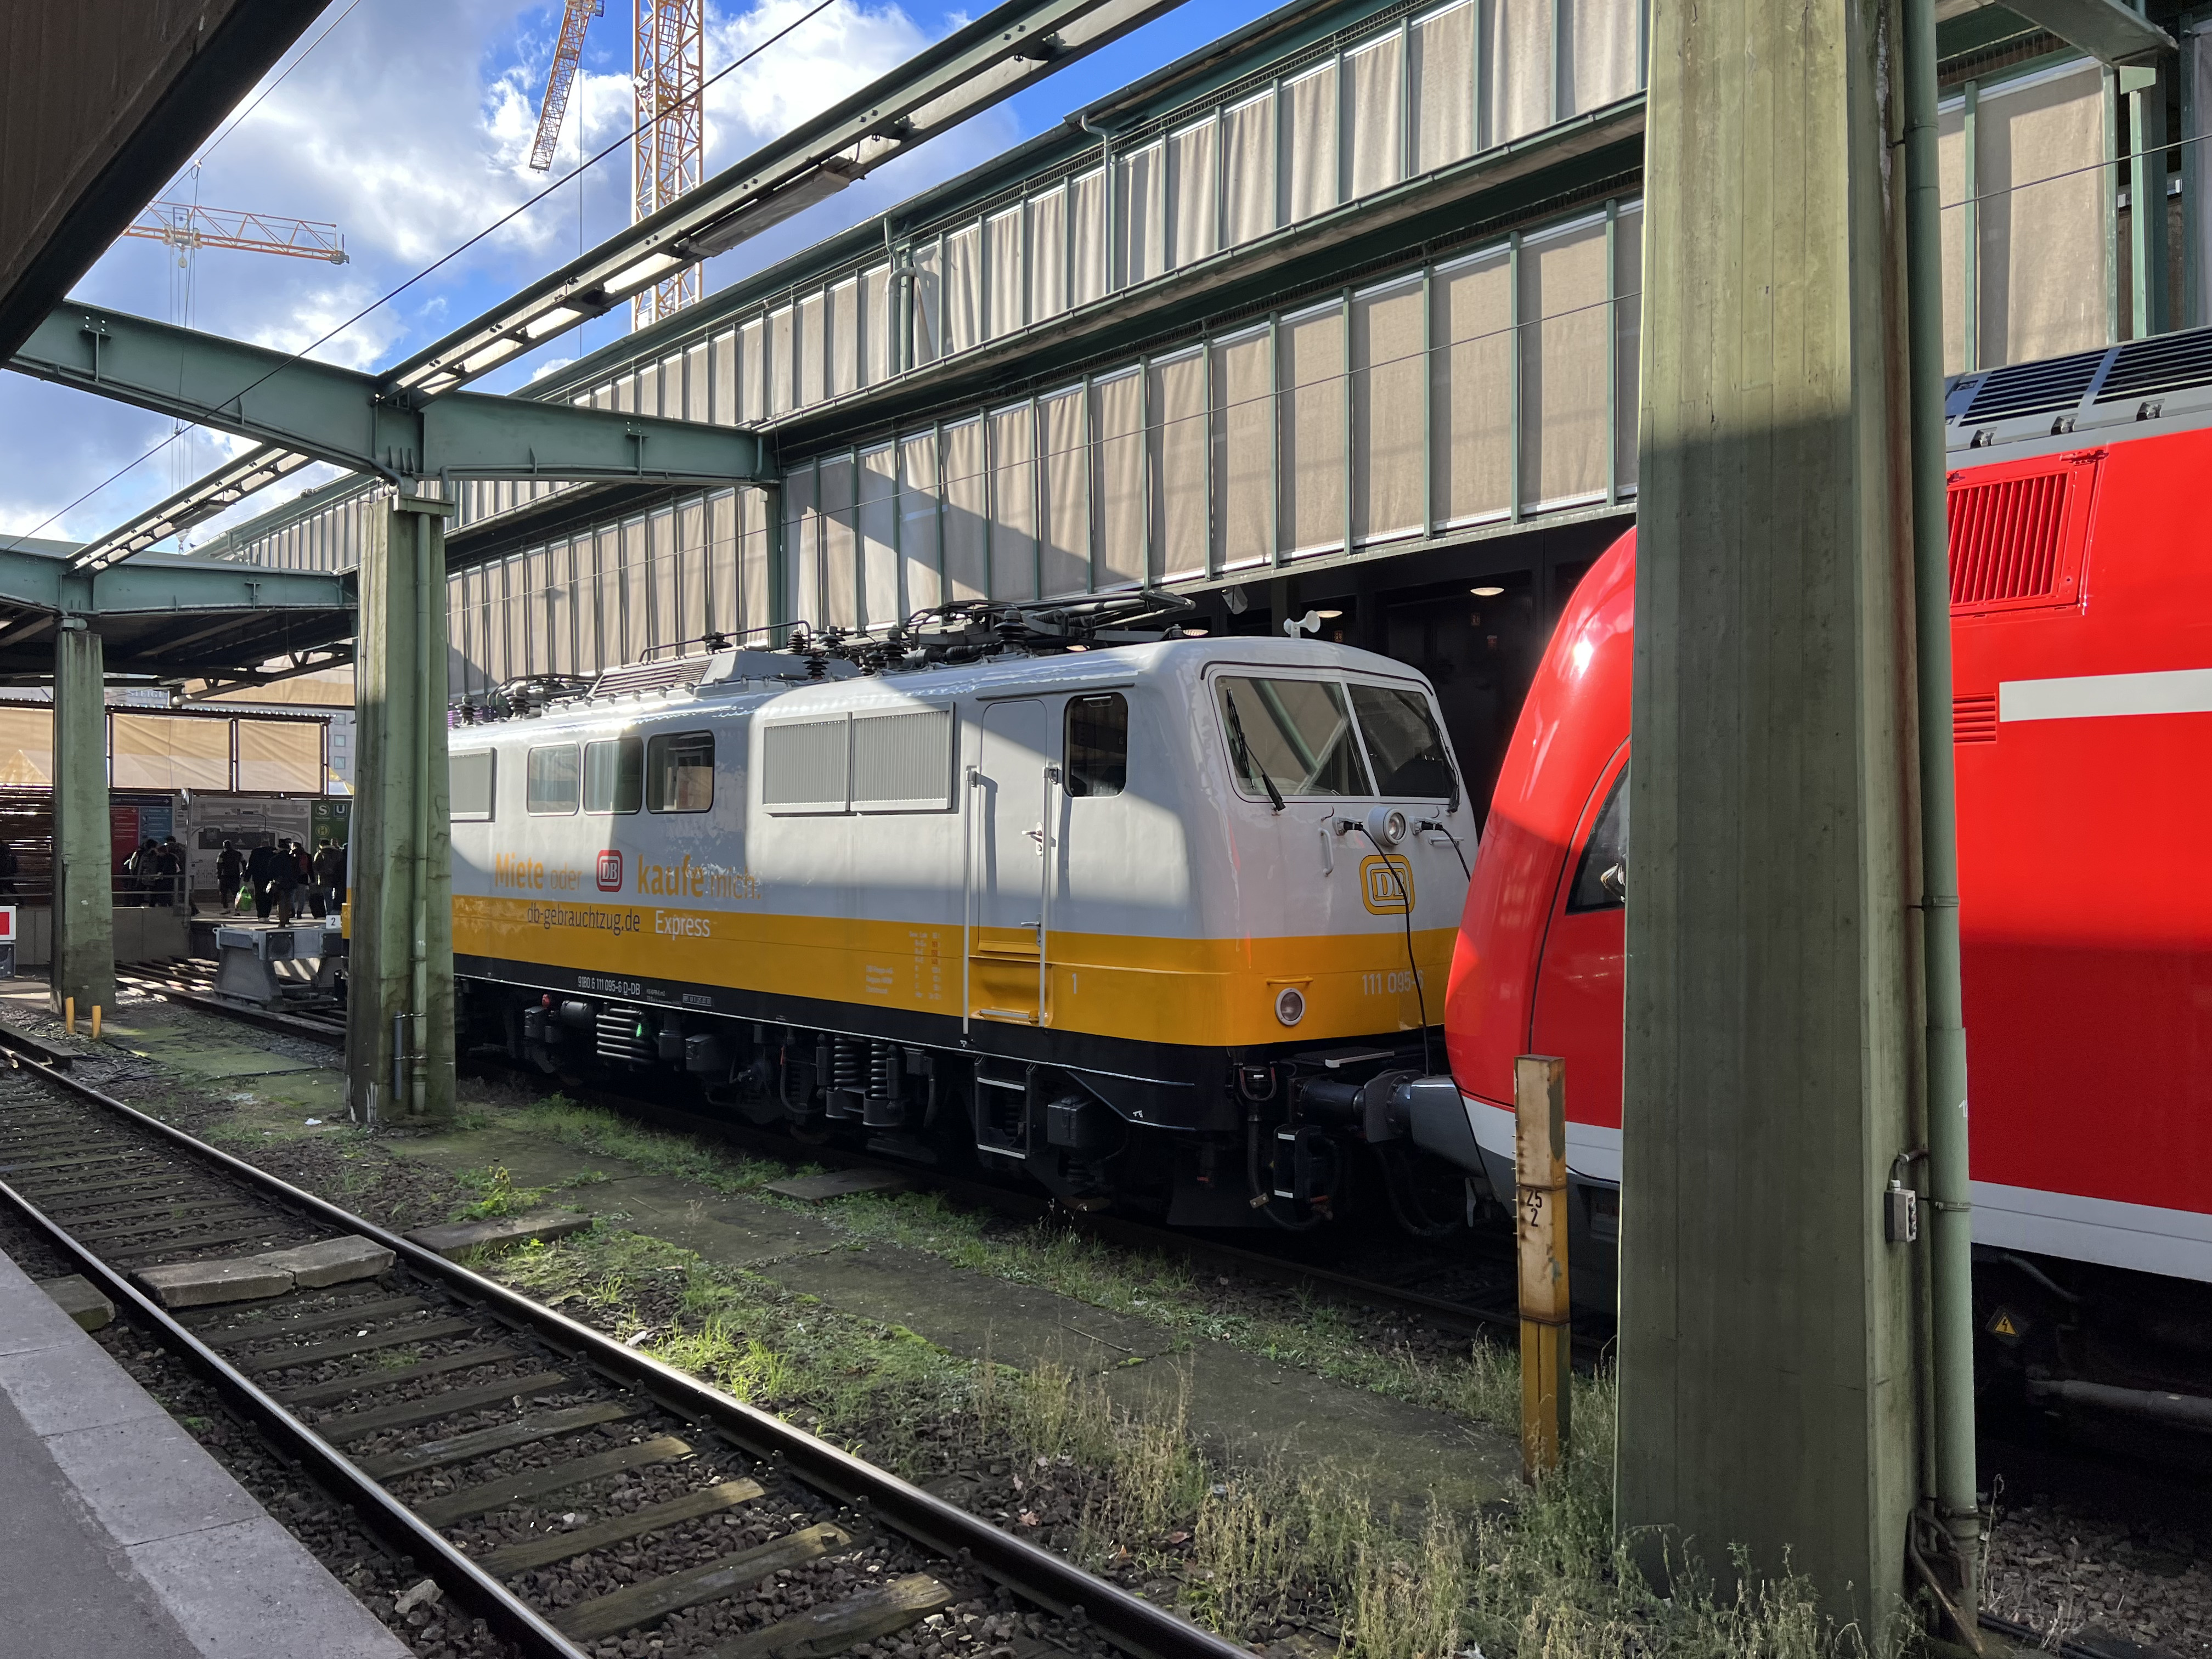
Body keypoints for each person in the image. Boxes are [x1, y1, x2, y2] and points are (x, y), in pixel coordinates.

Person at [246, 840, 275, 920]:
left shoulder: (255, 852)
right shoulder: (273, 853)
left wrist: (247, 878)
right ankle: (266, 915)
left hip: (258, 878)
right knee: (269, 896)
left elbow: (251, 866)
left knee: (259, 896)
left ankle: (261, 915)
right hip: (270, 878)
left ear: (261, 845)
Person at [217, 840, 244, 915]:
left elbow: (219, 866)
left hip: (225, 876)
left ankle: (226, 909)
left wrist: (219, 876)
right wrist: (243, 873)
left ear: (224, 846)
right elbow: (244, 863)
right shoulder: (238, 854)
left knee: (223, 893)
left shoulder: (222, 854)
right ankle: (237, 910)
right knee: (236, 894)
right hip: (235, 876)